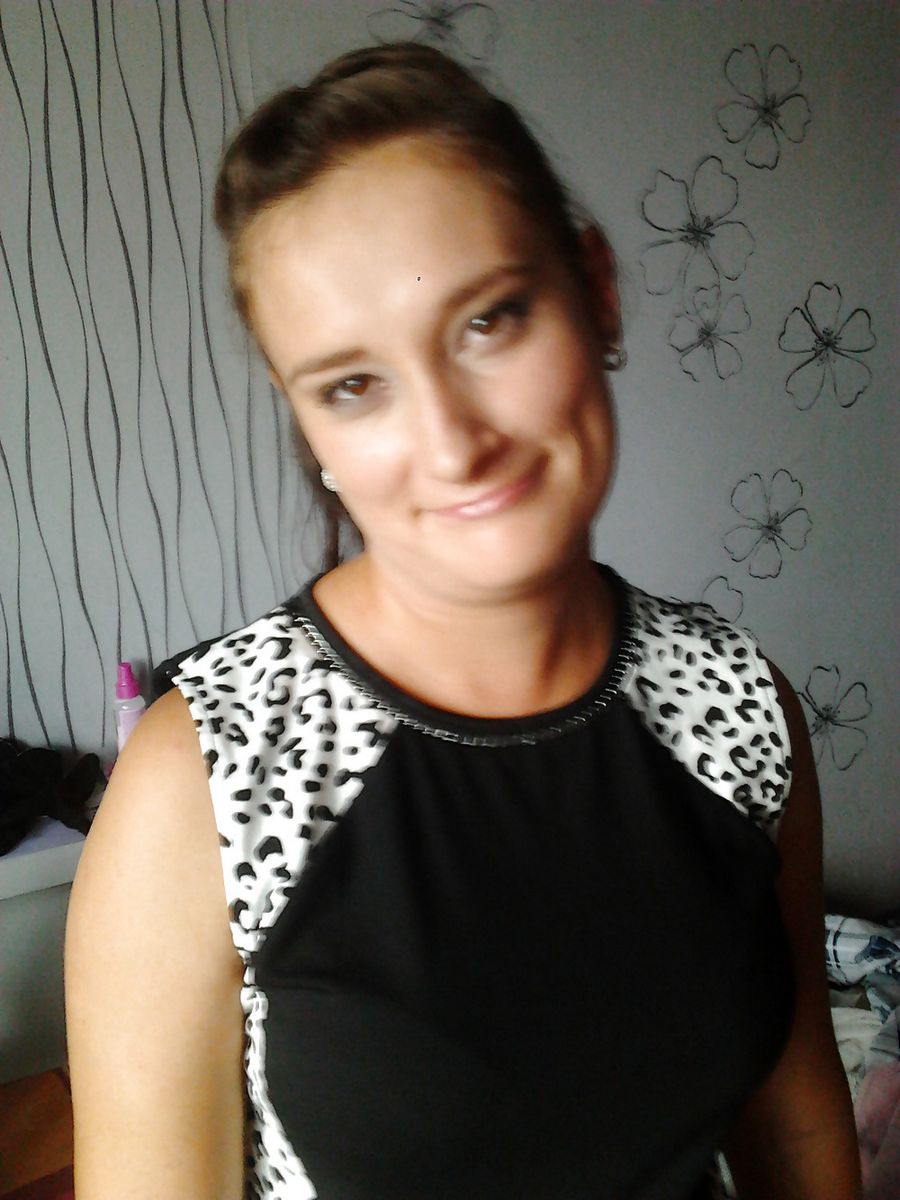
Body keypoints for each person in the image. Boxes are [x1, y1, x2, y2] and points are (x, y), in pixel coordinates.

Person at [64, 42, 862, 1200]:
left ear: (595, 289)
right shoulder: (204, 782)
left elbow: (795, 1130)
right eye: (353, 385)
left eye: (490, 320)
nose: (451, 441)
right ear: (310, 428)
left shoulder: (743, 707)